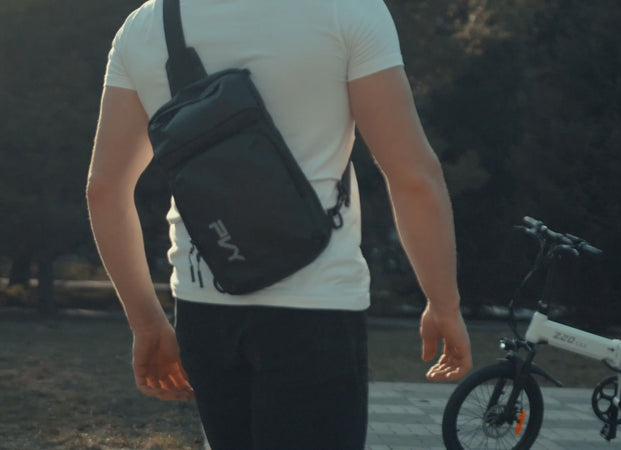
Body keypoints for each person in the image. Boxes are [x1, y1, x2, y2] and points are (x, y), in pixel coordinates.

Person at [86, 0, 472, 448]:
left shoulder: (145, 25)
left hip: (204, 307)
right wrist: (444, 303)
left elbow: (104, 189)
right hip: (316, 306)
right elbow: (414, 177)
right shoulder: (348, 12)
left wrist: (147, 323)